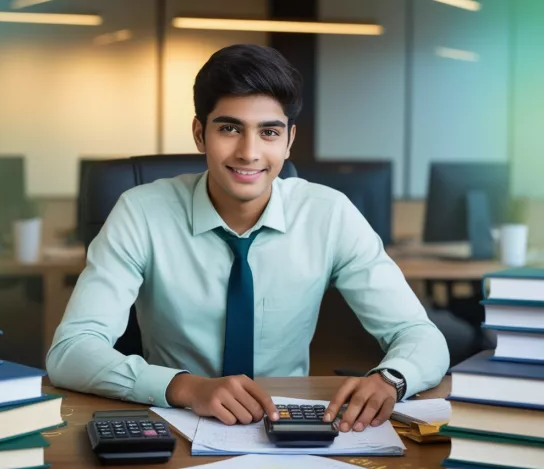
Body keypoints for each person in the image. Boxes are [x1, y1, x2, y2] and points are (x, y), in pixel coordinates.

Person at [47, 44, 449, 433]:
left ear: (289, 141)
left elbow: (420, 335)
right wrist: (186, 387)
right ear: (200, 134)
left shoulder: (329, 214)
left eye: (269, 132)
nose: (249, 152)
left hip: (291, 427)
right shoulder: (141, 212)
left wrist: (391, 379)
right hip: (177, 422)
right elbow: (71, 351)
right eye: (229, 128)